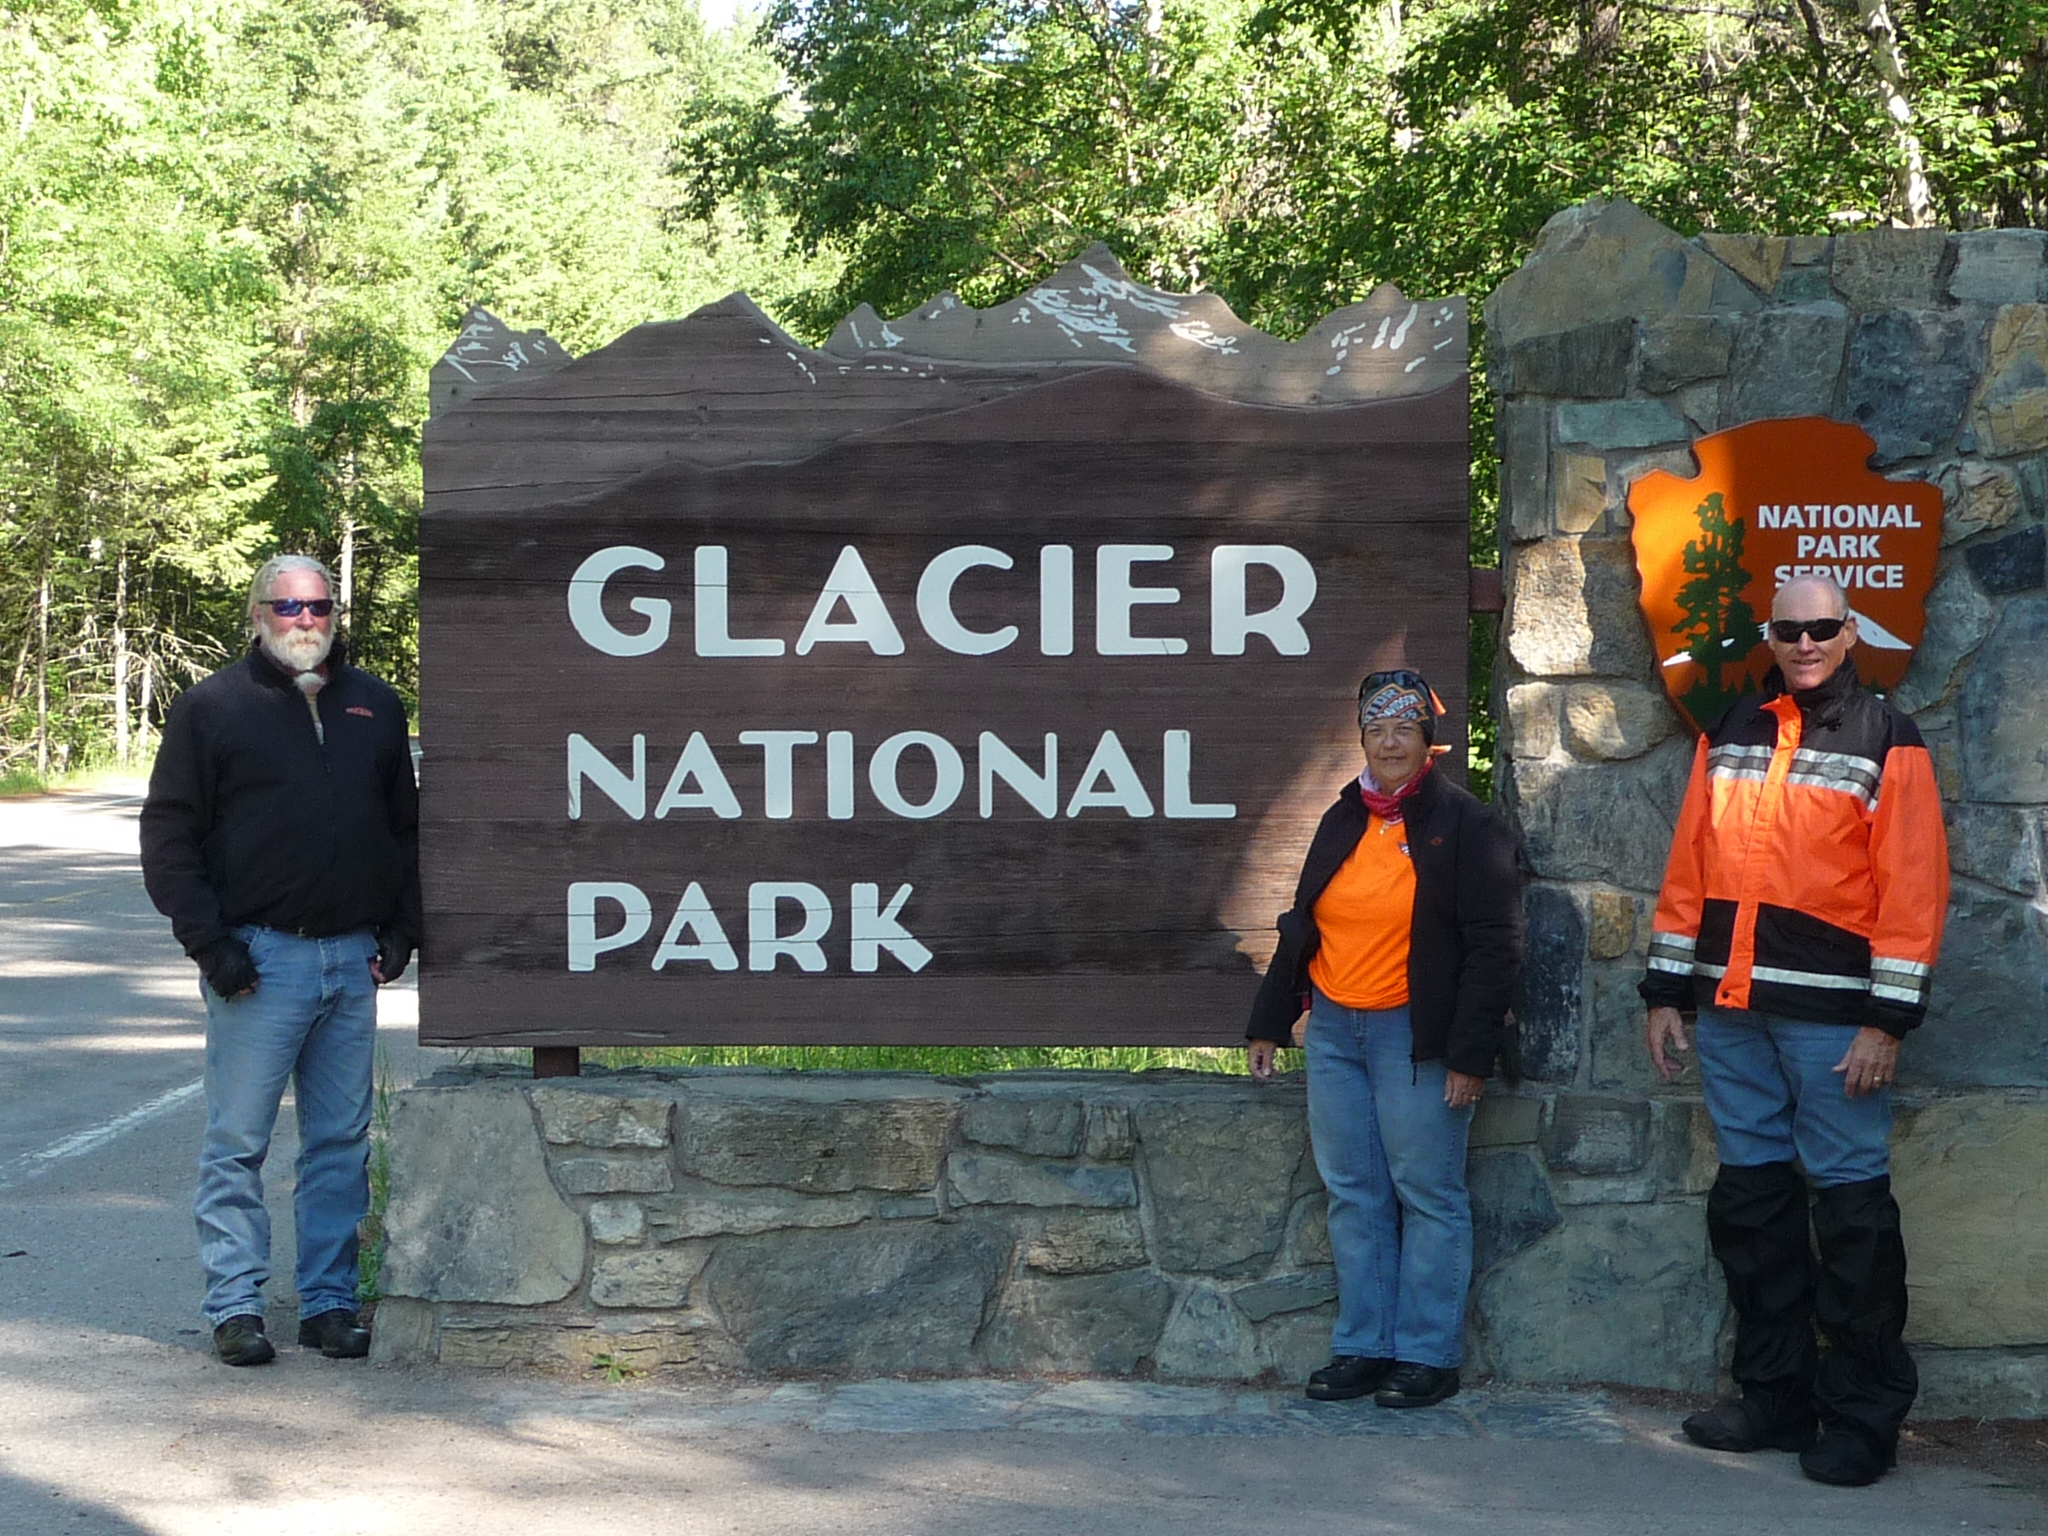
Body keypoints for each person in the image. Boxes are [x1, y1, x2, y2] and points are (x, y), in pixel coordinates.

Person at [1641, 572, 1948, 1487]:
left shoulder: (1888, 737)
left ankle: (1862, 1418)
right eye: (1789, 629)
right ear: (1769, 637)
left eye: (1821, 628)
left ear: (1850, 634)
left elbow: (1914, 886)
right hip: (1732, 1014)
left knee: (1852, 1221)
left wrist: (1887, 1021)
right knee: (1753, 1212)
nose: (1805, 643)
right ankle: (1774, 1397)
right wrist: (1666, 989)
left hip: (1834, 1024)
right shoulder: (1730, 729)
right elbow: (1688, 865)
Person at [140, 554, 420, 1366]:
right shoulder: (213, 707)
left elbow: (404, 829)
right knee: (237, 1143)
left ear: (335, 613)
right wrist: (212, 944)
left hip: (352, 959)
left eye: (318, 606)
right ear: (259, 613)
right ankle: (235, 1306)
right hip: (259, 961)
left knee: (340, 1144)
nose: (305, 620)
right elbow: (169, 835)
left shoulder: (375, 704)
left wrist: (402, 930)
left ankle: (329, 1304)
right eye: (288, 606)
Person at [1246, 669, 1521, 1409]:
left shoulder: (1466, 824)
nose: (1390, 742)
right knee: (1353, 1192)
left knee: (1426, 1192)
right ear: (1362, 739)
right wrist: (1271, 1019)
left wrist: (1470, 1055)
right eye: (1376, 729)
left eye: (1404, 728)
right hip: (1336, 1029)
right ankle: (1363, 1347)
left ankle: (1427, 1356)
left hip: (1416, 1033)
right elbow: (1303, 924)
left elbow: (1495, 948)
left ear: (1429, 741)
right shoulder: (1343, 817)